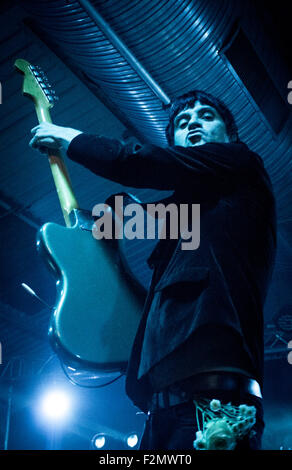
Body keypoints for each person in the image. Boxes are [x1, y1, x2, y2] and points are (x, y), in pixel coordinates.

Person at [29, 90, 276, 450]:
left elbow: (139, 163)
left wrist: (71, 139)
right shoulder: (185, 215)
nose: (193, 124)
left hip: (216, 402)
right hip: (161, 409)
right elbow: (121, 220)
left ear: (230, 136)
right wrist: (87, 228)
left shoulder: (242, 167)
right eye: (182, 122)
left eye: (206, 116)